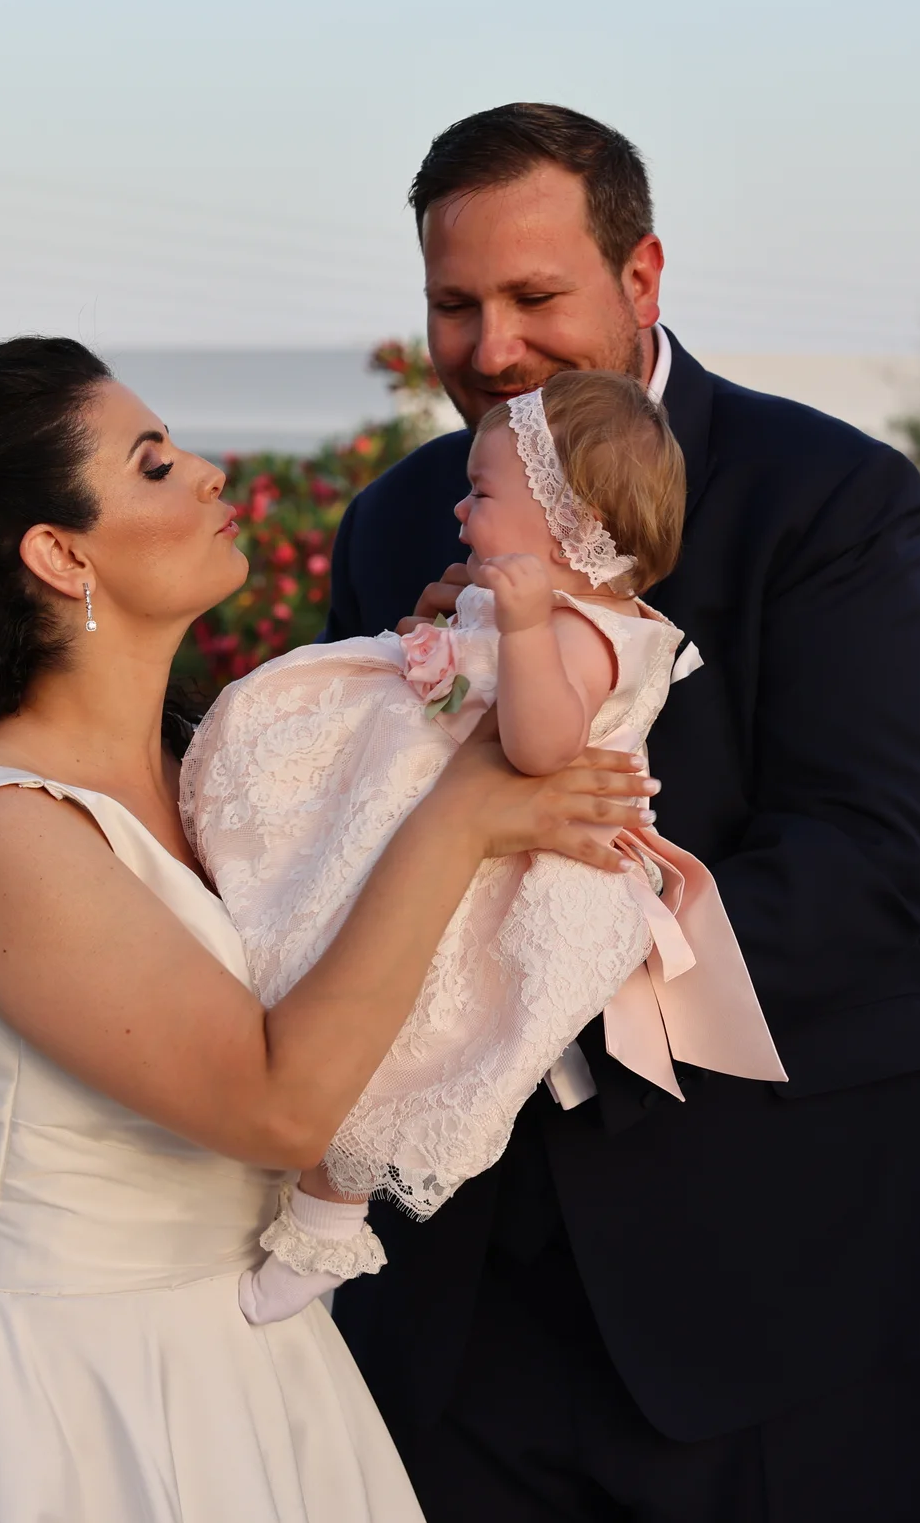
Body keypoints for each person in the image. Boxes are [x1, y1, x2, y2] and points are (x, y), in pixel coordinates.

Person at [0, 337, 661, 1523]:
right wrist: (459, 816)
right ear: (60, 554)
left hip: (240, 1364)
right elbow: (278, 1107)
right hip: (45, 1404)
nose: (213, 475)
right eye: (156, 464)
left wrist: (463, 695)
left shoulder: (202, 776)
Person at [325, 103, 920, 1523]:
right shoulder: (397, 520)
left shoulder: (826, 494)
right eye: (455, 306)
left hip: (781, 1281)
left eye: (535, 298)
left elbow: (865, 854)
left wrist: (548, 982)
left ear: (642, 276)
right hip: (468, 1317)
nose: (494, 345)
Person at [183, 370, 783, 1324]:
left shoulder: (595, 632)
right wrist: (438, 643)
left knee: (400, 1029)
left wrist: (520, 626)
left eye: (486, 492)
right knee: (317, 957)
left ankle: (325, 1226)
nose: (461, 506)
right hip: (446, 831)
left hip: (502, 877)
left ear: (568, 516)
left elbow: (539, 745)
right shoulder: (535, 609)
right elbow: (466, 702)